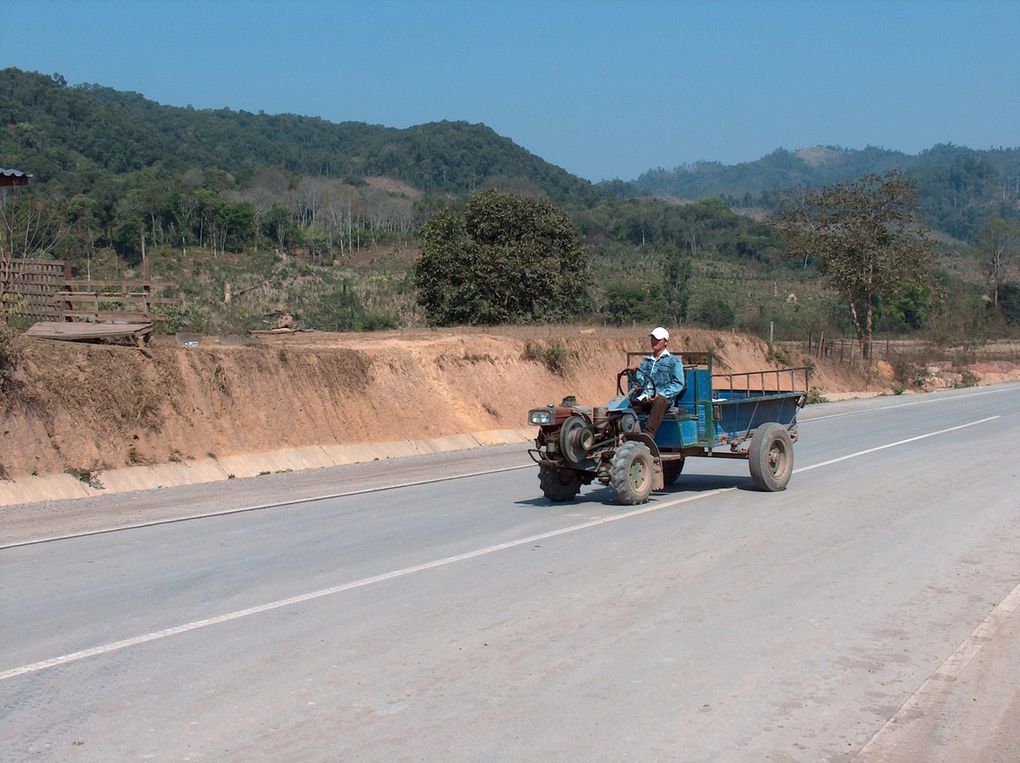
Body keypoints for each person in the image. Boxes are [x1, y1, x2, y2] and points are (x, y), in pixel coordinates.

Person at [628, 326, 685, 438]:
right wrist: (634, 373)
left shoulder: (673, 361)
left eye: (658, 339)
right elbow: (640, 381)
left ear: (665, 342)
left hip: (663, 400)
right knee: (627, 406)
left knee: (659, 401)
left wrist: (661, 394)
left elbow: (679, 384)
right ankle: (627, 433)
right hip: (645, 398)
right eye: (653, 339)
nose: (654, 342)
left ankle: (649, 434)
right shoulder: (646, 361)